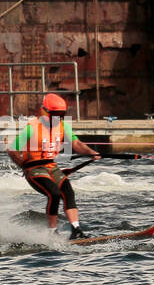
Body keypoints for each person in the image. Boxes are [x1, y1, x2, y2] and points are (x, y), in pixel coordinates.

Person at [8, 92, 100, 239]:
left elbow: (76, 143)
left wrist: (91, 152)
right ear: (44, 112)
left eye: (61, 115)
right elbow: (12, 149)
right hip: (34, 169)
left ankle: (76, 229)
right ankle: (51, 233)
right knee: (54, 194)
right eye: (55, 115)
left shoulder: (63, 127)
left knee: (68, 192)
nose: (59, 118)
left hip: (51, 167)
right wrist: (23, 167)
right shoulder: (32, 127)